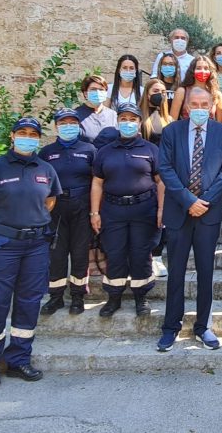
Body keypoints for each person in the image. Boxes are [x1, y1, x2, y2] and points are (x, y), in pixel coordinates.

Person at [0, 117, 62, 388]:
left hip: (35, 245)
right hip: (2, 245)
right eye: (22, 133)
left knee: (29, 302)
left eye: (33, 134)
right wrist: (1, 228)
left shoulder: (45, 169)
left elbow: (50, 201)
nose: (27, 137)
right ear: (12, 136)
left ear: (38, 139)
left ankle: (19, 359)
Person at [157, 87, 222, 352]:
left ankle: (203, 327)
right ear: (186, 106)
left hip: (208, 213)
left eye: (205, 103)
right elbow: (164, 168)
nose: (199, 108)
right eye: (195, 104)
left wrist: (204, 202)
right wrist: (188, 200)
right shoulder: (171, 132)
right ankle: (170, 327)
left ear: (212, 106)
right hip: (179, 212)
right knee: (175, 272)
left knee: (206, 272)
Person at [90, 103, 164, 317]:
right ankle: (114, 297)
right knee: (115, 252)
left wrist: (161, 209)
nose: (128, 123)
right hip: (113, 210)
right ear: (118, 122)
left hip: (144, 209)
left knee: (141, 253)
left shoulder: (151, 149)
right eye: (124, 119)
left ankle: (142, 297)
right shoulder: (105, 152)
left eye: (132, 119)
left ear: (140, 123)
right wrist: (95, 213)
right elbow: (97, 183)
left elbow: (160, 182)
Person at [38, 108, 97, 316]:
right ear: (56, 126)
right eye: (63, 123)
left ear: (79, 125)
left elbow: (97, 181)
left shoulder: (89, 150)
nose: (68, 126)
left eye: (72, 122)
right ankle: (55, 297)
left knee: (80, 252)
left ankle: (78, 296)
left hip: (82, 205)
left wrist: (95, 212)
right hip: (56, 208)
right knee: (57, 253)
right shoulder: (46, 153)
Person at [140, 78, 173, 277]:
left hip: (164, 174)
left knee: (163, 216)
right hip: (145, 172)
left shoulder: (168, 119)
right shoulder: (141, 118)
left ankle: (157, 255)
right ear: (147, 93)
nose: (159, 93)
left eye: (162, 90)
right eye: (155, 90)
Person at [170, 55, 222, 123]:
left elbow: (220, 124)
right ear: (192, 71)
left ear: (210, 71)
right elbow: (172, 121)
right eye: (198, 68)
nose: (202, 71)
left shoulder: (217, 95)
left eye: (206, 68)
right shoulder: (182, 92)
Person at [75, 75, 117, 144]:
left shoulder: (113, 115)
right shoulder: (76, 115)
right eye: (93, 89)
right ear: (85, 93)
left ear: (106, 93)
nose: (97, 92)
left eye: (101, 90)